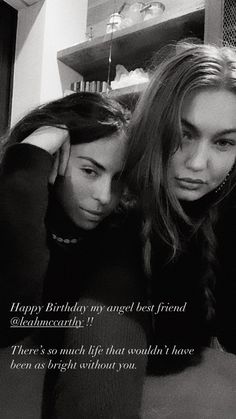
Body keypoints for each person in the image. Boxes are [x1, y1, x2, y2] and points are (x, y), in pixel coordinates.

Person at [0, 91, 148, 418]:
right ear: (54, 160)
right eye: (90, 171)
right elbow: (12, 314)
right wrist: (26, 165)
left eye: (118, 177)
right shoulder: (15, 203)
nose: (104, 196)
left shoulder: (120, 232)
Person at [124, 42, 236, 374]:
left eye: (224, 142)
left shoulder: (227, 209)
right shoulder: (109, 205)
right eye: (183, 134)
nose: (198, 163)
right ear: (153, 126)